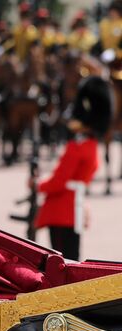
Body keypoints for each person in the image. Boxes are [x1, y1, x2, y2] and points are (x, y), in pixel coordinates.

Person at [33, 76, 112, 261]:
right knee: (72, 261)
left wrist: (37, 184)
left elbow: (58, 182)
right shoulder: (91, 146)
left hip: (61, 212)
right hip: (74, 210)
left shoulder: (77, 148)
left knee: (63, 266)